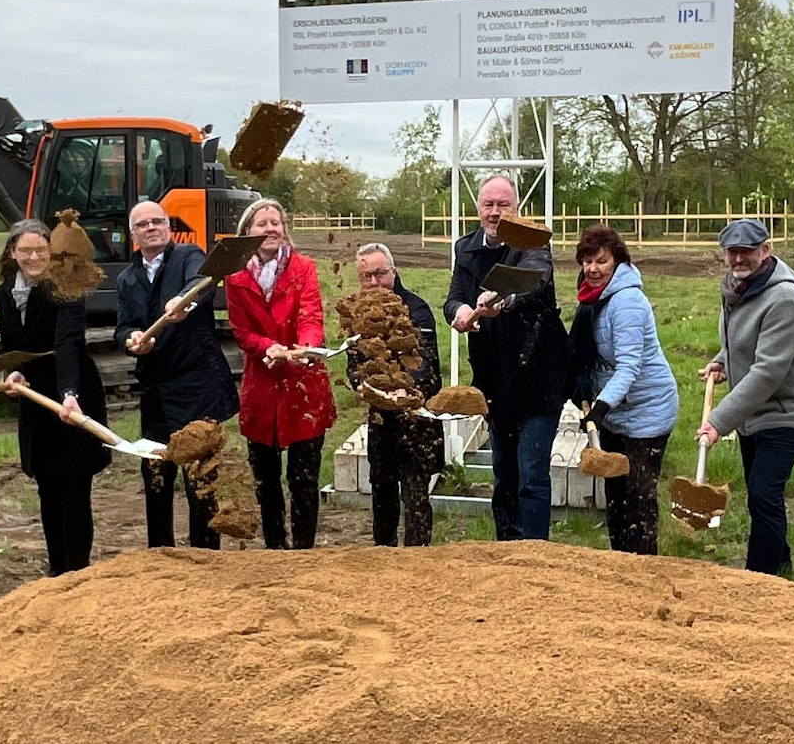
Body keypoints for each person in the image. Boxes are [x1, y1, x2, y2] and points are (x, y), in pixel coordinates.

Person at [444, 176, 571, 541]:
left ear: (516, 209)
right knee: (503, 472)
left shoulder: (532, 241)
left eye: (503, 205)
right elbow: (452, 298)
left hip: (537, 373)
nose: (495, 212)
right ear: (478, 208)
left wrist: (500, 298)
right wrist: (461, 310)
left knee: (531, 473)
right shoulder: (465, 248)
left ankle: (534, 551)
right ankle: (506, 550)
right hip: (494, 375)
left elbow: (532, 281)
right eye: (488, 205)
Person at [698, 218, 794, 577]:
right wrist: (722, 360)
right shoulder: (738, 287)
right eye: (732, 252)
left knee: (764, 494)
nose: (738, 259)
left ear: (765, 251)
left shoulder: (784, 297)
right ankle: (781, 564)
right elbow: (740, 339)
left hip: (786, 411)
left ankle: (760, 578)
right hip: (753, 412)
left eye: (747, 252)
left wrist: (719, 422)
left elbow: (768, 371)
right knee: (761, 495)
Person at [116, 200, 239, 549]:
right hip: (155, 389)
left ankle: (205, 553)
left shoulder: (188, 256)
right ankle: (161, 552)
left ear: (169, 228)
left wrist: (183, 300)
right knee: (156, 472)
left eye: (158, 222)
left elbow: (201, 282)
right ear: (133, 234)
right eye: (143, 224)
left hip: (196, 385)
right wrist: (131, 340)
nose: (151, 228)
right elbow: (123, 325)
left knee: (200, 476)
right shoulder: (127, 279)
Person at [0, 216, 109, 577]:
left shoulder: (67, 284)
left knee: (74, 488)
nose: (33, 257)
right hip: (36, 400)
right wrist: (12, 372)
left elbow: (67, 343)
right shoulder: (5, 292)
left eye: (40, 250)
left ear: (52, 251)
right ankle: (57, 571)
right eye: (25, 250)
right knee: (47, 486)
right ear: (13, 253)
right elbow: (12, 345)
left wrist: (69, 392)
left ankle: (77, 573)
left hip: (72, 396)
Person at [225, 197, 333, 549]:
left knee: (303, 479)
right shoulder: (236, 277)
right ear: (247, 233)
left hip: (303, 385)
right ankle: (275, 547)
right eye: (262, 223)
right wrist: (266, 347)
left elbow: (311, 315)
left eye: (276, 222)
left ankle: (303, 551)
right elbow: (241, 331)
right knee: (266, 480)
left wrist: (306, 347)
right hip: (262, 388)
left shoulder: (304, 268)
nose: (271, 228)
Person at [570, 224, 679, 555]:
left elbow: (629, 366)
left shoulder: (627, 301)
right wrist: (582, 383)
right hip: (618, 411)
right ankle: (621, 568)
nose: (592, 269)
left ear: (617, 261)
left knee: (638, 502)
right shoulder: (593, 298)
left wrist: (600, 409)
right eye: (587, 261)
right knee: (615, 501)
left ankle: (646, 573)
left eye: (601, 261)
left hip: (648, 412)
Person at [348, 243, 443, 547]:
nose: (374, 282)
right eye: (366, 277)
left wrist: (407, 388)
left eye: (379, 273)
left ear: (394, 270)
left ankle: (419, 557)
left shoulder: (417, 310)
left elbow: (428, 364)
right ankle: (382, 556)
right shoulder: (357, 315)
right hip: (380, 420)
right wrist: (362, 386)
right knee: (382, 492)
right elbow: (353, 366)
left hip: (416, 420)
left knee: (416, 497)